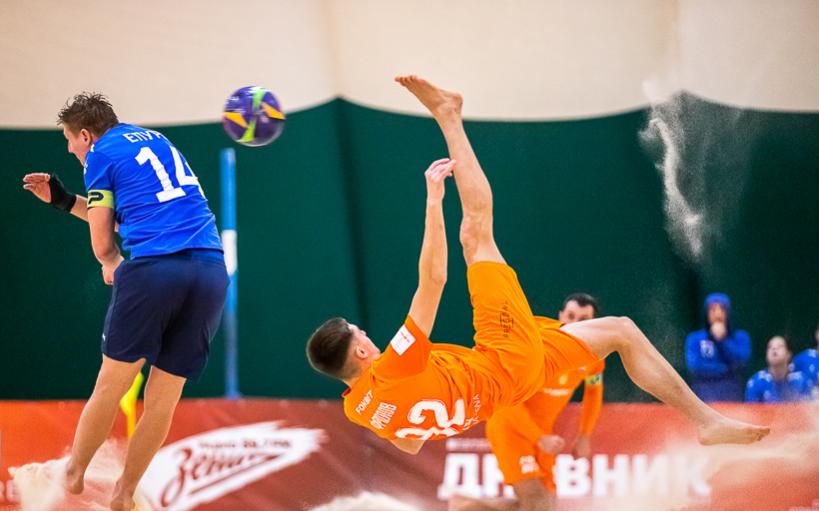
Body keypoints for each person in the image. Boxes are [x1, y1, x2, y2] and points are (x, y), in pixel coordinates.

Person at [305, 75, 768, 459]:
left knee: (621, 331)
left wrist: (430, 398)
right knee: (476, 234)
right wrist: (433, 200)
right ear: (360, 352)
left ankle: (705, 422)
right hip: (504, 356)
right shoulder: (392, 365)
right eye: (360, 333)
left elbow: (411, 442)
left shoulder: (359, 410)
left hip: (512, 386)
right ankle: (448, 115)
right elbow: (433, 280)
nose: (367, 335)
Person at [22, 93, 228, 511]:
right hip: (209, 271)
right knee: (164, 398)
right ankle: (125, 492)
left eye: (69, 140)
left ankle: (75, 472)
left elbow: (103, 237)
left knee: (112, 383)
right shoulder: (155, 140)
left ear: (85, 134)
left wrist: (111, 261)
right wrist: (63, 200)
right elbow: (135, 213)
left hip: (156, 271)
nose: (70, 149)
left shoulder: (100, 154)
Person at [437, 292, 605, 511]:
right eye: (570, 316)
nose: (574, 323)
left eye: (583, 319)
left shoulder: (593, 355)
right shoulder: (536, 338)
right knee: (535, 502)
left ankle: (467, 504)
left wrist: (585, 434)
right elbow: (506, 399)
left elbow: (593, 391)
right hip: (509, 425)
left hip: (542, 434)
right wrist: (539, 437)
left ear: (593, 322)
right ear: (560, 316)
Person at [685, 293, 751, 402]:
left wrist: (722, 341)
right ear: (706, 313)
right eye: (713, 309)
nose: (718, 314)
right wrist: (726, 369)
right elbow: (694, 366)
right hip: (703, 397)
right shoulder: (694, 338)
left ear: (728, 313)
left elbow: (742, 361)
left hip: (732, 396)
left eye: (722, 309)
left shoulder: (740, 337)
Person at [745, 336, 813, 403]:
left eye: (780, 346)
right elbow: (751, 409)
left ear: (788, 354)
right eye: (770, 347)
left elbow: (809, 407)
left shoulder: (801, 380)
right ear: (766, 356)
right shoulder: (756, 382)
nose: (774, 349)